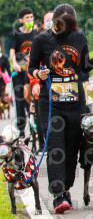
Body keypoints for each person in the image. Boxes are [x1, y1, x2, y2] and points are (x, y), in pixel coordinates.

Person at [28, 4, 93, 213]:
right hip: (50, 103)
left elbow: (84, 66)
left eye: (69, 25)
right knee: (56, 147)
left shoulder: (78, 37)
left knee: (72, 147)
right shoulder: (41, 40)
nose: (64, 29)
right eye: (60, 25)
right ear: (54, 22)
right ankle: (58, 195)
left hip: (75, 102)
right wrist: (39, 74)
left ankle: (66, 189)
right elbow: (31, 67)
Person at [29, 10, 55, 153]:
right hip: (42, 86)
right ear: (43, 24)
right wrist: (35, 83)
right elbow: (32, 65)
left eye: (52, 19)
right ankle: (42, 144)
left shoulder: (66, 39)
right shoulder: (39, 40)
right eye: (47, 20)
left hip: (61, 90)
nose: (50, 22)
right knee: (41, 117)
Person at [9, 7, 36, 138]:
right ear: (21, 20)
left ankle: (34, 128)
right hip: (19, 73)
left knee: (32, 100)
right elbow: (12, 51)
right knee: (20, 101)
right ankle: (21, 131)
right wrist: (14, 63)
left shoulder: (36, 34)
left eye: (31, 17)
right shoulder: (16, 34)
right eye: (27, 18)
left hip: (32, 73)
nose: (30, 20)